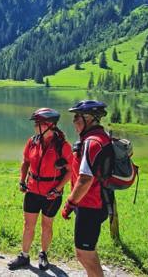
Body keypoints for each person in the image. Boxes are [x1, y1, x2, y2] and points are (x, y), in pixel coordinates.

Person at [8, 108, 72, 271]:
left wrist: (58, 189)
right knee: (28, 225)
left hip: (51, 194)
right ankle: (24, 256)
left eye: (38, 123)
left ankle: (43, 254)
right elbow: (25, 162)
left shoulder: (62, 146)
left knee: (46, 225)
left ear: (50, 125)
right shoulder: (32, 141)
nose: (35, 126)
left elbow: (71, 171)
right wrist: (22, 180)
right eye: (36, 123)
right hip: (32, 191)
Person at [62, 100, 113, 277]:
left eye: (77, 117)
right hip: (94, 202)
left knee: (84, 253)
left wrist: (69, 204)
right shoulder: (99, 137)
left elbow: (85, 180)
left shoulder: (92, 142)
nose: (74, 120)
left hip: (90, 205)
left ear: (89, 118)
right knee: (87, 251)